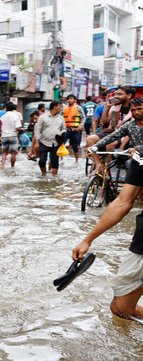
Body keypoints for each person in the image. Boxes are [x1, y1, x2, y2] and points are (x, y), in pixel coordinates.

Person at [72, 156, 143, 320]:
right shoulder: (141, 157)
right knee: (121, 308)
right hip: (142, 243)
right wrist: (87, 239)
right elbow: (123, 202)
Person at [89, 97, 143, 169]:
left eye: (139, 109)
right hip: (137, 157)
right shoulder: (129, 125)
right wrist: (96, 146)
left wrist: (138, 149)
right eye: (133, 110)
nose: (136, 112)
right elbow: (113, 136)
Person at [87, 86, 136, 151]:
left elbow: (133, 129)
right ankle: (97, 161)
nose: (116, 96)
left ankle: (109, 160)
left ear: (129, 95)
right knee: (90, 139)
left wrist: (121, 147)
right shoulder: (114, 107)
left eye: (119, 94)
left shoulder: (135, 109)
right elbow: (103, 122)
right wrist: (107, 108)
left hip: (127, 135)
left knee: (110, 143)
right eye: (115, 94)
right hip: (114, 133)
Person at [33, 100, 66, 176]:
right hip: (44, 142)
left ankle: (54, 178)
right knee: (42, 161)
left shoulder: (61, 118)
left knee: (55, 161)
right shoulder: (42, 117)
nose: (61, 108)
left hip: (56, 143)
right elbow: (37, 130)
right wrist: (37, 143)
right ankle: (43, 175)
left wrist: (62, 135)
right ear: (55, 107)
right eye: (59, 106)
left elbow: (63, 129)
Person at [62, 94, 85, 163]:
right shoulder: (63, 108)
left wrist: (81, 125)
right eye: (68, 99)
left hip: (75, 130)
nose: (69, 100)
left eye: (71, 98)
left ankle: (76, 160)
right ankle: (61, 159)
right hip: (65, 129)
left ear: (75, 100)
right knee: (61, 144)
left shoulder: (79, 108)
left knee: (75, 146)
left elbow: (83, 117)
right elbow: (60, 118)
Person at [0, 102, 22, 168]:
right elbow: (17, 128)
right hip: (13, 136)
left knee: (4, 152)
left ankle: (2, 165)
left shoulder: (2, 117)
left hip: (3, 136)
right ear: (13, 109)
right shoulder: (16, 116)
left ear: (6, 108)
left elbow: (0, 128)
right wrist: (21, 129)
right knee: (13, 153)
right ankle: (12, 167)